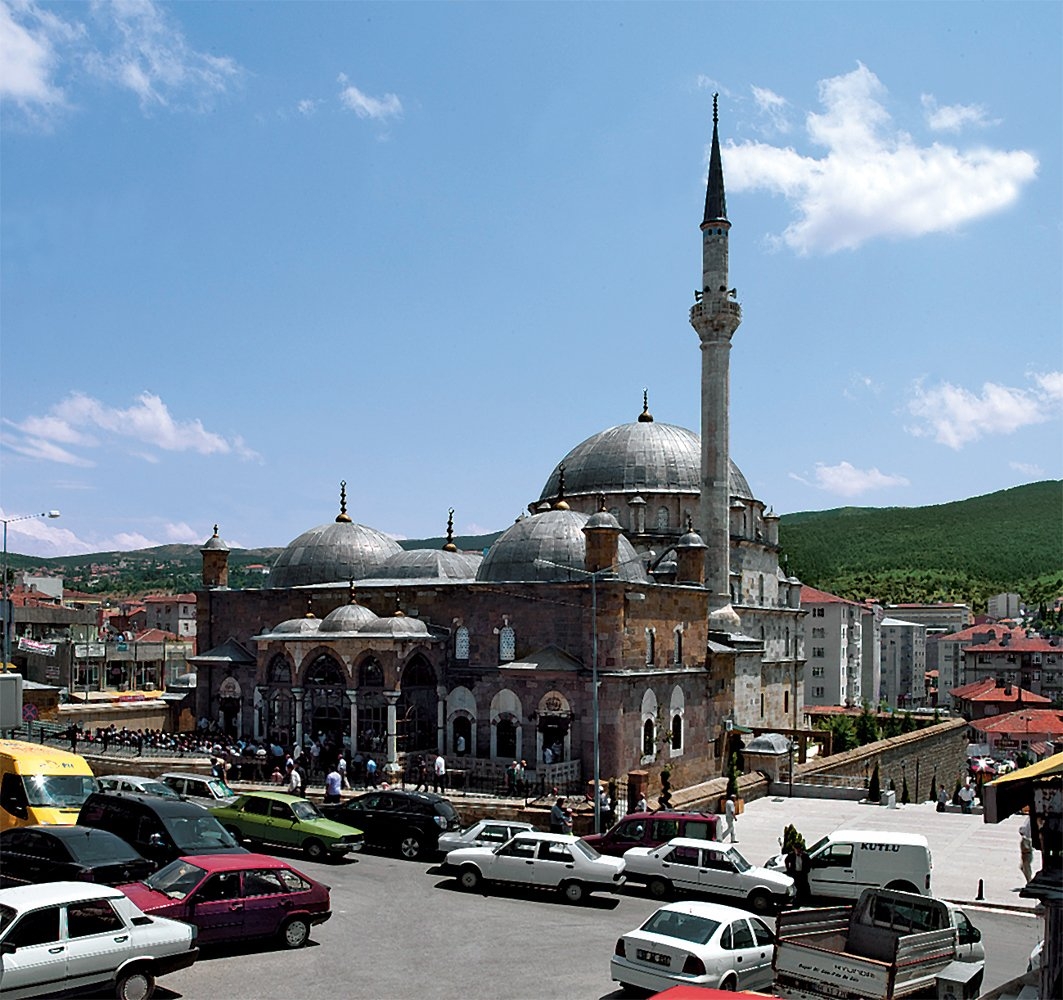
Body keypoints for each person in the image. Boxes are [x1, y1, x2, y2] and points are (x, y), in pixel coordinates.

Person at [1020, 815, 1034, 883]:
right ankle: (1029, 879)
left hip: (1027, 841)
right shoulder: (1029, 818)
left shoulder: (1030, 819)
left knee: (1026, 865)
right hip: (1026, 840)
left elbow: (1022, 829)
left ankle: (1029, 881)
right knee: (1023, 866)